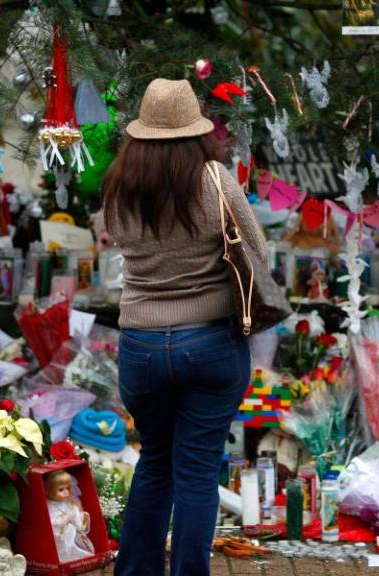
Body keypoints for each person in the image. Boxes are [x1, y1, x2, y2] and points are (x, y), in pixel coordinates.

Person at [102, 78, 266, 576]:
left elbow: (122, 247)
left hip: (142, 346)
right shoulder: (215, 178)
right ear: (197, 129)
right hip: (211, 342)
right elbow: (258, 251)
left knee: (155, 461)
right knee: (196, 471)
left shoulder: (120, 182)